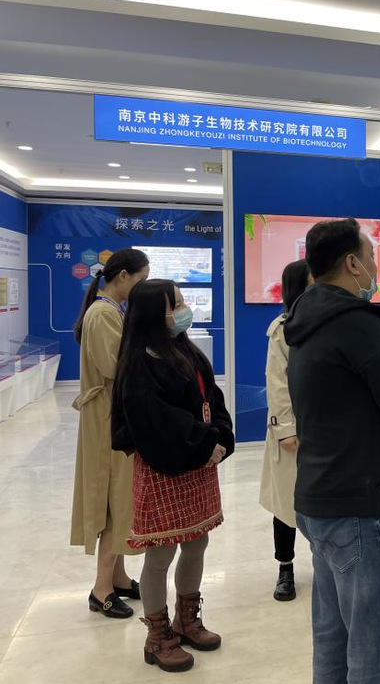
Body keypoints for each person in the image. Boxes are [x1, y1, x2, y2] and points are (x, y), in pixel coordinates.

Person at [284, 219, 380, 684]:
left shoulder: (305, 320)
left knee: (333, 639)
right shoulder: (356, 323)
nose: (375, 264)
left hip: (321, 499)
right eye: (372, 255)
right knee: (379, 648)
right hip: (362, 509)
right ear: (352, 263)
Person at [111, 280, 234, 673]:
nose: (184, 309)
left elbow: (211, 399)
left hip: (199, 463)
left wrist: (219, 437)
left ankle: (187, 619)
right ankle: (158, 634)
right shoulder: (139, 362)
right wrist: (202, 443)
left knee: (197, 541)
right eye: (176, 304)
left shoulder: (184, 348)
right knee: (161, 552)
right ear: (153, 313)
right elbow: (156, 420)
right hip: (165, 466)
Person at [70, 247, 150, 619]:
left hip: (113, 416)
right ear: (123, 277)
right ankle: (101, 588)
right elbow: (117, 367)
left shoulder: (111, 310)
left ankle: (118, 577)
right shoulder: (103, 314)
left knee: (122, 498)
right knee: (113, 498)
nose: (143, 286)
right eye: (142, 280)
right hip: (107, 420)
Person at [258, 258, 312, 602]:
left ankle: (327, 561)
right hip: (293, 431)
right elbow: (277, 382)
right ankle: (285, 568)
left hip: (323, 428)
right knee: (285, 503)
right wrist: (286, 429)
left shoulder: (327, 323)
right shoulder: (282, 329)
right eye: (311, 283)